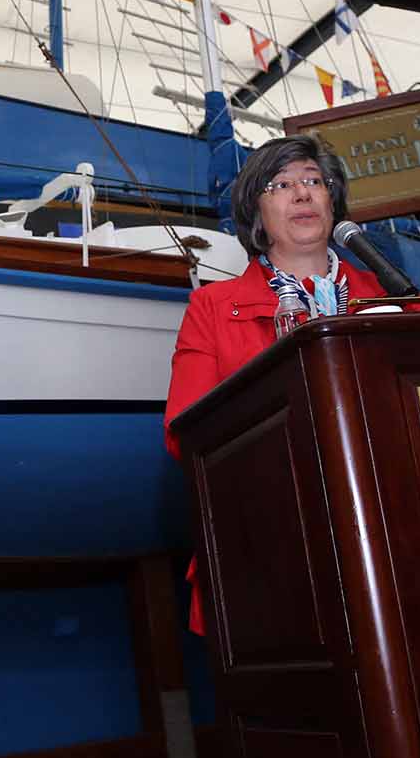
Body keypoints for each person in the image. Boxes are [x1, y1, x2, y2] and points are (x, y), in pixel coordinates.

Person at [165, 134, 389, 633]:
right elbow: (186, 431)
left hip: (387, 532)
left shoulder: (388, 294)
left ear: (333, 200)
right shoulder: (212, 309)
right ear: (257, 213)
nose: (303, 193)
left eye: (314, 181)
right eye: (282, 185)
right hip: (269, 543)